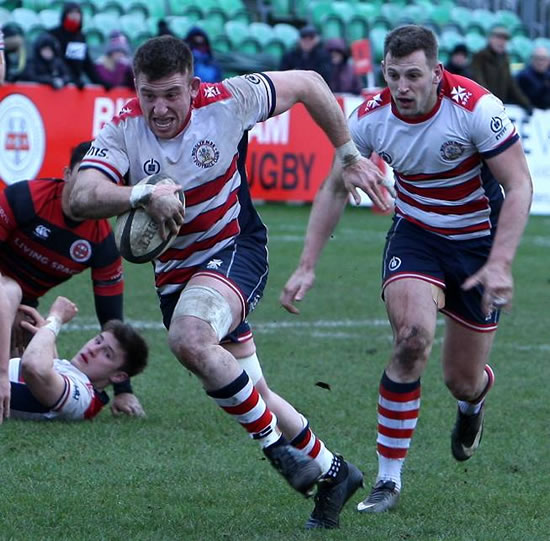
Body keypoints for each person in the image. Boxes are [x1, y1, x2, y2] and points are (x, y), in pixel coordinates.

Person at [68, 35, 390, 529]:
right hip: (176, 275)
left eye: (171, 94)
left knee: (190, 338)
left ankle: (276, 450)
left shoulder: (230, 101)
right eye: (148, 95)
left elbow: (309, 83)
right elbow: (80, 195)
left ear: (194, 87)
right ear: (135, 88)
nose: (159, 108)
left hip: (235, 248)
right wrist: (141, 194)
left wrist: (348, 155)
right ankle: (335, 473)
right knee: (250, 388)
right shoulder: (123, 128)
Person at [281, 24, 532, 514]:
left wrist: (501, 263)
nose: (402, 86)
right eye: (393, 75)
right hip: (416, 236)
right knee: (411, 339)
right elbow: (335, 186)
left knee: (461, 379)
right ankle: (388, 481)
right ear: (383, 71)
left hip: (479, 245)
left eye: (413, 75)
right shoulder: (369, 118)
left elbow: (519, 185)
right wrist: (307, 265)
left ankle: (473, 401)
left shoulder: (476, 108)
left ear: (437, 73)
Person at [0, 141, 145, 419]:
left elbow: (112, 322)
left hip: (21, 307)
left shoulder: (103, 243)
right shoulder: (26, 198)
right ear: (67, 174)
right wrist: (7, 308)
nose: (91, 191)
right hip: (9, 294)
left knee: (31, 348)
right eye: (85, 178)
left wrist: (123, 390)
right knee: (10, 293)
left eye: (102, 184)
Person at [8, 294, 148, 421]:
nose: (93, 349)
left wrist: (55, 319)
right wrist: (30, 332)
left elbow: (34, 368)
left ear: (118, 377)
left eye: (106, 354)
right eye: (98, 341)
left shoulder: (83, 397)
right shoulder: (70, 374)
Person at [48, 2, 110, 90]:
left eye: (77, 13)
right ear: (65, 15)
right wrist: (71, 78)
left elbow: (87, 64)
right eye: (71, 13)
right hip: (59, 83)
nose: (75, 16)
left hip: (76, 85)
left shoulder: (80, 37)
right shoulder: (54, 34)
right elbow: (56, 60)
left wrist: (100, 83)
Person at [471, 25, 531, 111]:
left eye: (504, 39)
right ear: (490, 39)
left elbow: (511, 85)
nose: (501, 42)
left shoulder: (505, 59)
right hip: (483, 106)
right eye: (498, 38)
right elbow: (478, 82)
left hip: (498, 105)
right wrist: (490, 101)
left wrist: (526, 104)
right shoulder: (479, 57)